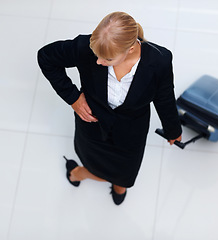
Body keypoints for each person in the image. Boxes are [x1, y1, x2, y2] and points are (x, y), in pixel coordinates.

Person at [37, 11, 182, 205]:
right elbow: (46, 57)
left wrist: (173, 130)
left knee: (126, 173)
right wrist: (73, 98)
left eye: (107, 60)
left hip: (131, 131)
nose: (98, 62)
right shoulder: (86, 47)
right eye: (97, 56)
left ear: (130, 49)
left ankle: (116, 184)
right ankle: (83, 172)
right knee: (93, 160)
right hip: (92, 125)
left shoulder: (160, 60)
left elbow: (164, 98)